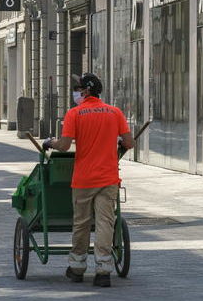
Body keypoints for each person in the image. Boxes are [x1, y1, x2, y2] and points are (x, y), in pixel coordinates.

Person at [42, 73, 134, 288]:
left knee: (82, 224)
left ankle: (77, 267)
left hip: (84, 179)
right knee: (105, 223)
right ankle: (103, 270)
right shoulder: (115, 112)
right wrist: (118, 142)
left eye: (79, 89)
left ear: (86, 91)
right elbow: (129, 142)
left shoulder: (75, 114)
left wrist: (50, 142)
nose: (77, 92)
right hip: (108, 178)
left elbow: (64, 146)